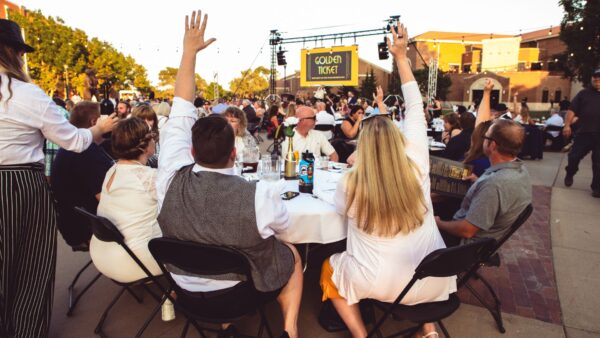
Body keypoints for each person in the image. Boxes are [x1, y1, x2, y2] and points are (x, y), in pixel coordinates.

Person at [155, 11, 303, 338]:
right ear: (234, 153)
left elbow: (180, 109)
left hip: (185, 287)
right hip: (240, 293)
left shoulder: (167, 178)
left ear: (192, 152)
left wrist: (188, 52)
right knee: (290, 251)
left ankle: (224, 327)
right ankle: (290, 330)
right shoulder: (259, 195)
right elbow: (284, 229)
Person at [320, 23, 455, 338]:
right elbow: (416, 109)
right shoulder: (418, 163)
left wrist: (354, 166)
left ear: (361, 148)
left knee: (329, 267)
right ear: (399, 141)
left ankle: (360, 334)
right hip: (433, 280)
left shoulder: (350, 183)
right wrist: (401, 57)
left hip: (378, 283)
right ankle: (429, 328)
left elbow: (338, 212)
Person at [0, 18, 117, 337]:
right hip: (20, 183)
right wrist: (100, 129)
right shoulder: (27, 94)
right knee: (30, 264)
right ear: (12, 53)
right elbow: (75, 141)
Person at [435, 118, 532, 246]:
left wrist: (437, 223)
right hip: (484, 237)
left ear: (492, 145)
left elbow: (467, 231)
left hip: (463, 245)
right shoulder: (521, 169)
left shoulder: (493, 185)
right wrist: (477, 180)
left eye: (485, 137)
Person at [90, 117, 163, 282]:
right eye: (152, 135)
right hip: (134, 262)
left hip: (103, 255)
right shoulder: (149, 178)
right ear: (145, 145)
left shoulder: (113, 170)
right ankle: (180, 291)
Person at [52, 102, 114, 250]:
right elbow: (108, 198)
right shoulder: (85, 151)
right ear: (94, 122)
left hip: (73, 225)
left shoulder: (71, 148)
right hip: (90, 228)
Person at [563, 68, 600, 197]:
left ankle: (597, 188)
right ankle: (570, 172)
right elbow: (572, 110)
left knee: (598, 162)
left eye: (599, 77)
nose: (597, 79)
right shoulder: (583, 94)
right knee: (574, 157)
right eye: (595, 77)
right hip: (584, 132)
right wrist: (567, 125)